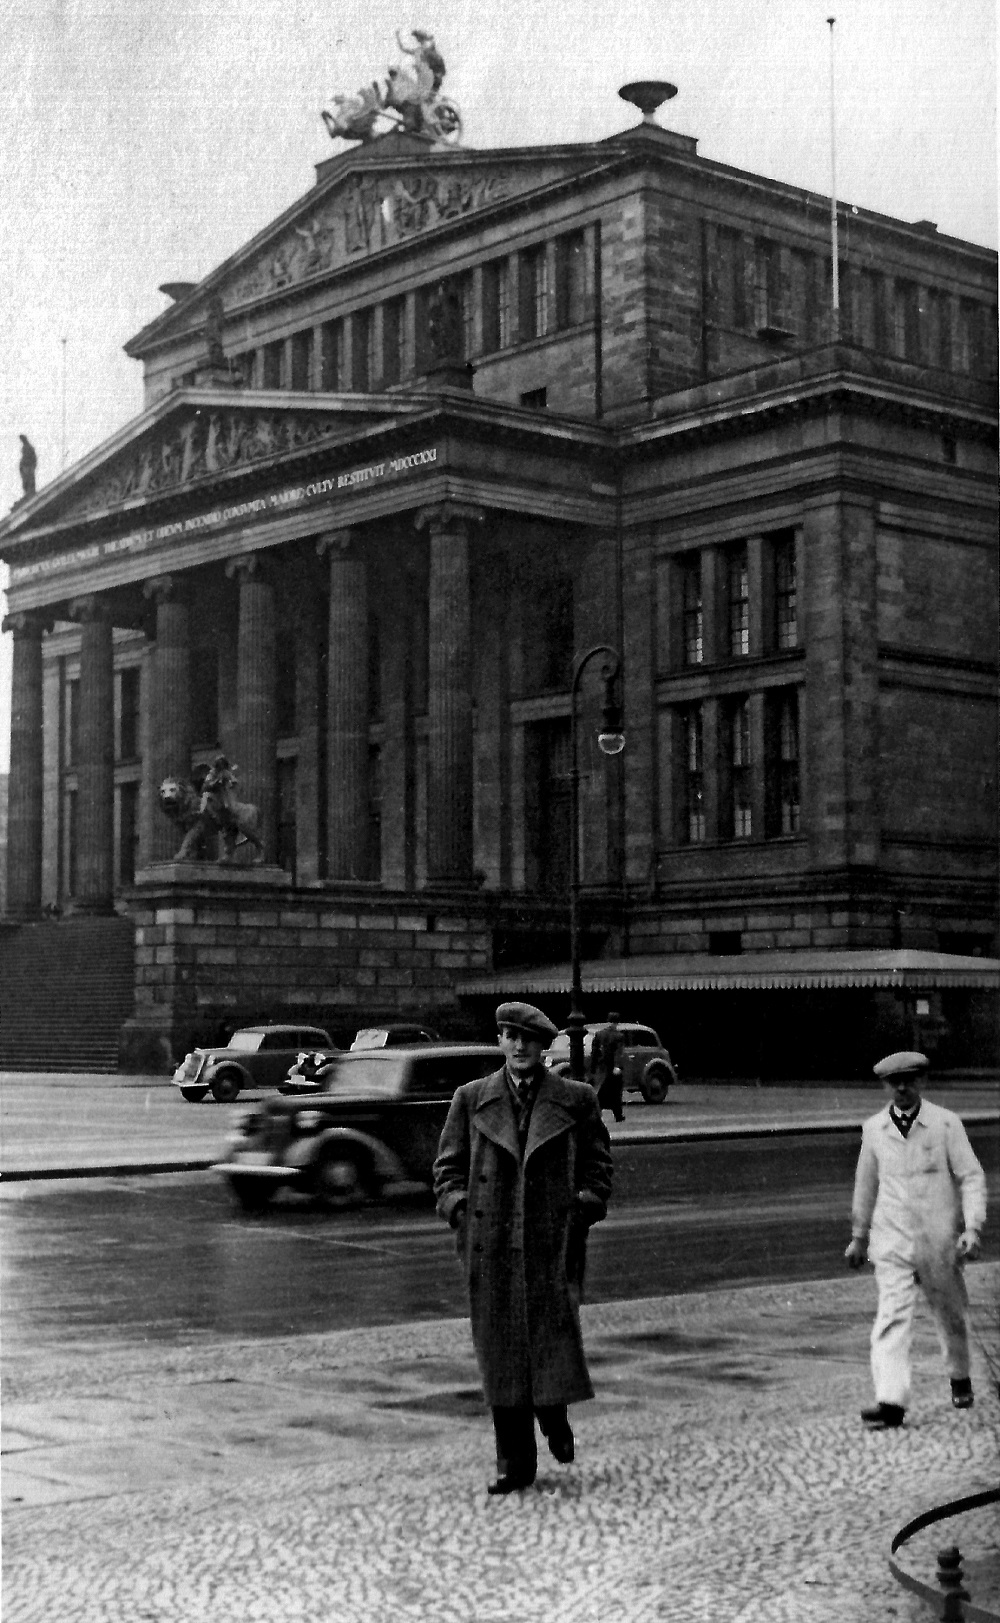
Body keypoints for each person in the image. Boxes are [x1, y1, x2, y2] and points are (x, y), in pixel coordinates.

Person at [433, 1001, 613, 1494]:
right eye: (510, 1037)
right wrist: (461, 1209)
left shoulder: (574, 1100)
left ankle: (554, 1418)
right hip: (491, 1246)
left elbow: (599, 1167)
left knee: (549, 1342)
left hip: (549, 1243)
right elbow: (446, 1169)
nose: (519, 1047)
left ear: (542, 1046)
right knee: (502, 1355)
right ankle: (515, 1463)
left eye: (528, 1040)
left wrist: (584, 1207)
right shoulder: (471, 1099)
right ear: (500, 1043)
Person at [845, 1050, 987, 1430]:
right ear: (886, 1086)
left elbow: (971, 1177)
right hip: (891, 1242)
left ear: (922, 1082)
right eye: (895, 1082)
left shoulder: (945, 1125)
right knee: (891, 1318)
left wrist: (971, 1228)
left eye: (909, 1080)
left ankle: (959, 1376)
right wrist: (859, 1237)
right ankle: (891, 1401)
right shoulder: (874, 1129)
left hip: (939, 1242)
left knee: (951, 1315)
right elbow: (865, 1185)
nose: (902, 1088)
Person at [590, 1012, 625, 1122]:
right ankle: (618, 1115)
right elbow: (619, 1053)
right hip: (613, 1069)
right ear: (617, 1023)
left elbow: (594, 1053)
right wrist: (618, 1066)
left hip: (601, 1068)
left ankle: (596, 1114)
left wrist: (593, 1068)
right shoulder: (619, 1036)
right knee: (616, 1093)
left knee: (600, 1092)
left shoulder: (599, 1034)